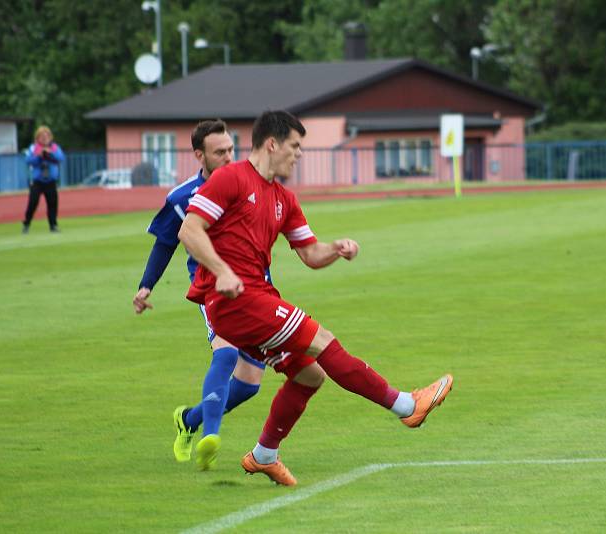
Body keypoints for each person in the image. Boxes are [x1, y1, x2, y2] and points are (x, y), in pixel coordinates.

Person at [178, 110, 453, 486]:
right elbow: (189, 229)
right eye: (295, 146)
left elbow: (310, 254)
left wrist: (336, 249)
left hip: (256, 297)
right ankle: (407, 405)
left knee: (310, 374)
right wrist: (222, 270)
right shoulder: (231, 178)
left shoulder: (284, 198)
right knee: (322, 340)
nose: (299, 154)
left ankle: (264, 455)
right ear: (272, 144)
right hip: (236, 301)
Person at [132, 119, 314, 471]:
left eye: (231, 149)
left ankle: (189, 419)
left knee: (249, 385)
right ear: (199, 155)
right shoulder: (183, 197)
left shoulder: (252, 182)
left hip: (257, 291)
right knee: (226, 354)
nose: (228, 157)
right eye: (220, 152)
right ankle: (210, 437)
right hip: (213, 290)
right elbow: (167, 243)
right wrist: (146, 285)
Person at [23, 125, 65, 233]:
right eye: (42, 136)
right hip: (37, 181)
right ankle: (27, 223)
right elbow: (28, 160)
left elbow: (61, 158)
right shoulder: (33, 148)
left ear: (50, 137)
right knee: (33, 202)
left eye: (46, 136)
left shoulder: (55, 147)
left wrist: (51, 153)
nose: (44, 138)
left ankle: (53, 225)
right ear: (37, 138)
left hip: (51, 181)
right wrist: (39, 155)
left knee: (52, 203)